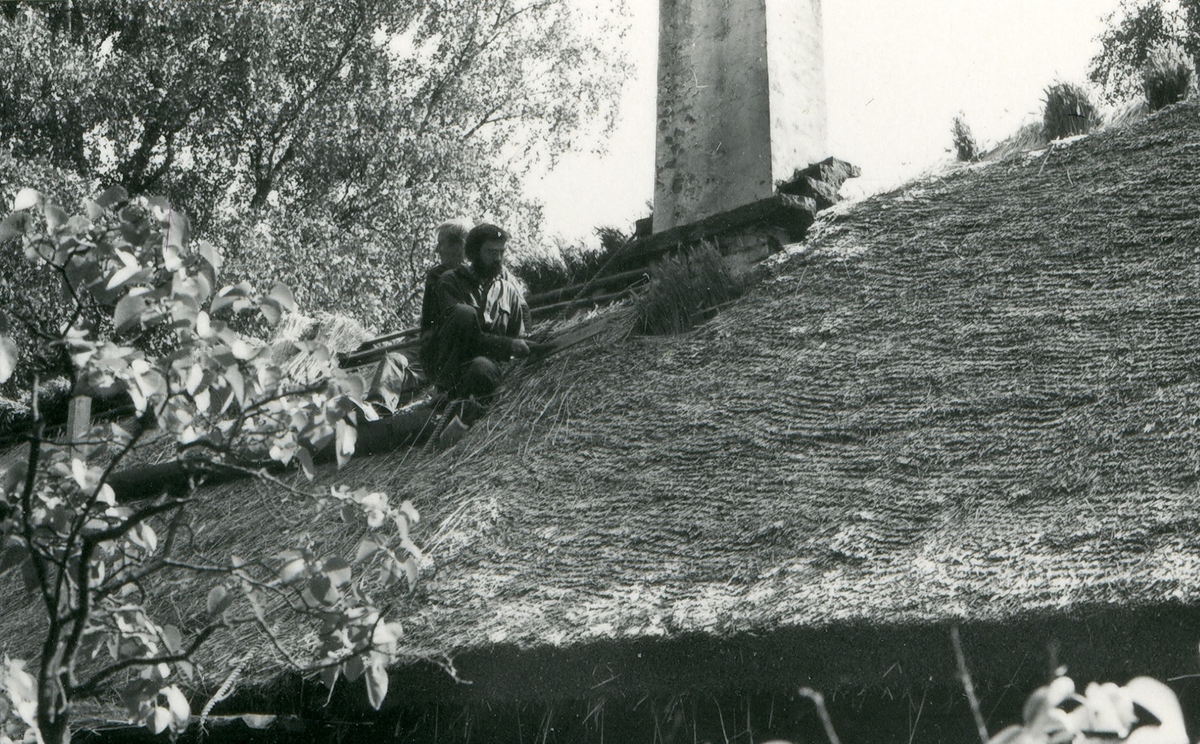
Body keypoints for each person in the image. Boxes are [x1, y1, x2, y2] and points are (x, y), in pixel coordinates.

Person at [432, 223, 533, 399]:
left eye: (502, 252)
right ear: (474, 252)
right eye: (492, 253)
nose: (498, 259)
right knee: (464, 313)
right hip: (456, 367)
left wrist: (520, 345)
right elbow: (468, 338)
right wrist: (508, 345)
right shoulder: (449, 282)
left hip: (488, 367)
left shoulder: (508, 291)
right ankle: (444, 395)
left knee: (481, 368)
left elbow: (518, 336)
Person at [418, 219, 472, 376]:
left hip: (458, 350)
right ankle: (375, 400)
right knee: (393, 361)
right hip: (434, 349)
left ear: (461, 245)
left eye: (442, 243)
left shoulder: (482, 276)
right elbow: (427, 326)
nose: (437, 250)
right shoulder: (435, 275)